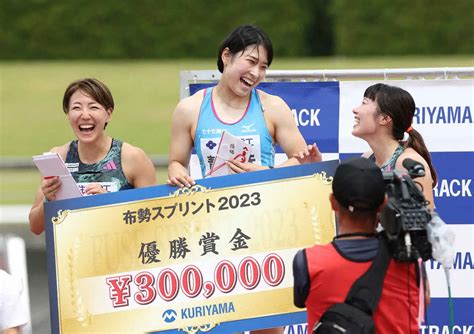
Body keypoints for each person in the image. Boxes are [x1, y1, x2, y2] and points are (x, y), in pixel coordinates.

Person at [168, 24, 321, 187]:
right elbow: (176, 162)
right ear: (226, 56)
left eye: (263, 67)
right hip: (214, 209)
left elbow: (305, 162)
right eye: (251, 61)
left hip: (268, 208)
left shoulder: (274, 107)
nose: (255, 73)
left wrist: (266, 173)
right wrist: (177, 172)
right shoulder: (189, 109)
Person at [293, 157, 428, 333]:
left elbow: (300, 300)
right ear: (383, 204)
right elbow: (424, 301)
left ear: (333, 202)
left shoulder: (308, 262)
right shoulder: (409, 259)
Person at [29, 78, 156, 234]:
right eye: (76, 108)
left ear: (108, 114)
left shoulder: (132, 158)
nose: (85, 115)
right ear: (68, 115)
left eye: (93, 107)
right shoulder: (58, 157)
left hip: (119, 254)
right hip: (70, 255)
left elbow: (153, 222)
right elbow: (35, 227)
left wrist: (109, 203)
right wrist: (47, 200)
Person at [352, 83, 437, 210]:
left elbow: (425, 223)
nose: (355, 109)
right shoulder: (367, 158)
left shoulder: (409, 164)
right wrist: (317, 167)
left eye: (364, 103)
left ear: (384, 119)